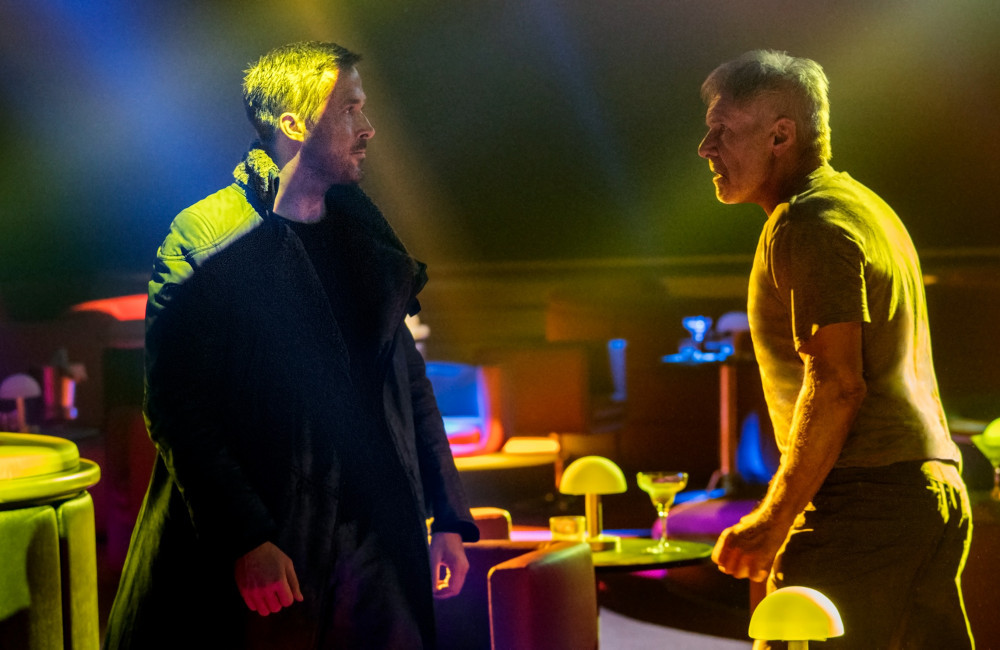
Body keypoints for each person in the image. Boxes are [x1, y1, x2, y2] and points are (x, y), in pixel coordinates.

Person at [103, 41, 479, 649]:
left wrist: (449, 518)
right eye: (349, 109)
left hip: (377, 549)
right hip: (276, 545)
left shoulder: (366, 239)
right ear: (294, 124)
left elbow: (408, 384)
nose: (368, 127)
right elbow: (177, 409)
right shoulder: (204, 239)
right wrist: (247, 537)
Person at [697, 50, 973, 649]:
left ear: (780, 135)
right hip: (933, 491)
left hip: (865, 505)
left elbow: (839, 384)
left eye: (723, 130)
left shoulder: (809, 224)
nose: (706, 148)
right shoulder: (864, 207)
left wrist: (773, 519)